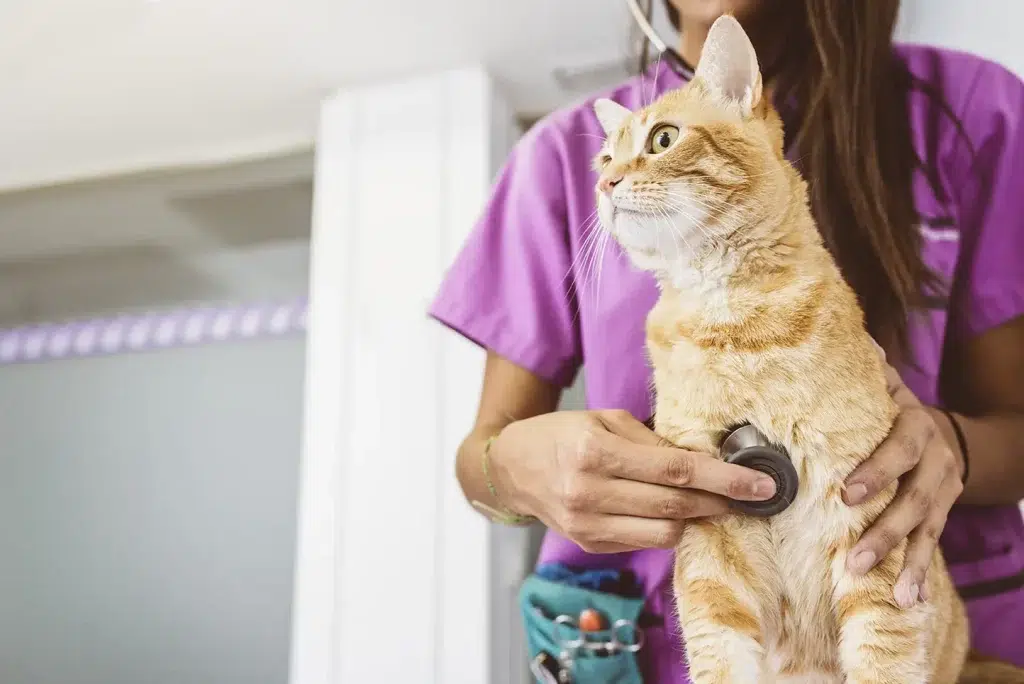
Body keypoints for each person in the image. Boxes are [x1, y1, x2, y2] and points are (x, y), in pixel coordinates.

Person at [429, 0, 1024, 679]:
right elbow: (479, 460)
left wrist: (952, 447)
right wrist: (511, 472)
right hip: (662, 645)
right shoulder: (564, 159)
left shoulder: (969, 110)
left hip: (908, 628)